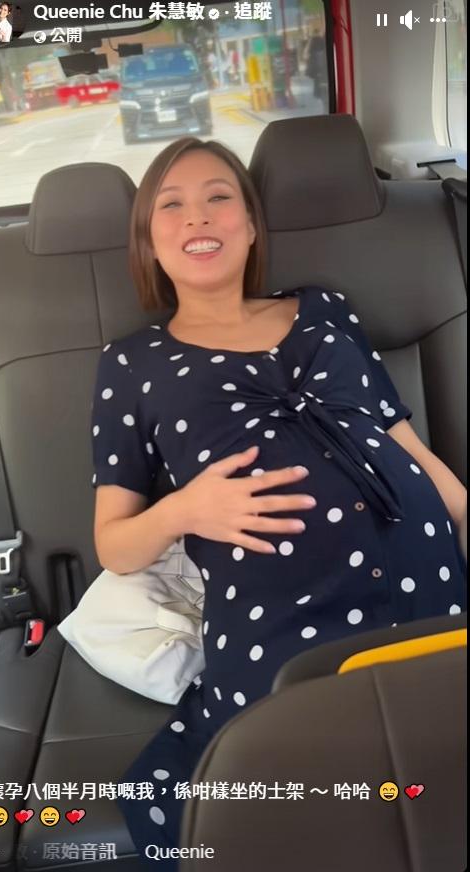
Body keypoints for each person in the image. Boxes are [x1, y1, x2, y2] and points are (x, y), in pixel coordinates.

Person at [91, 137, 467, 868]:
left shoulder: (324, 308)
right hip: (282, 625)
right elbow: (114, 543)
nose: (198, 215)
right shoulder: (132, 363)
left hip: (431, 593)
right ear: (147, 241)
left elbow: (408, 446)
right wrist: (183, 511)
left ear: (252, 225)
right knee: (300, 809)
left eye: (218, 196)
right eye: (171, 205)